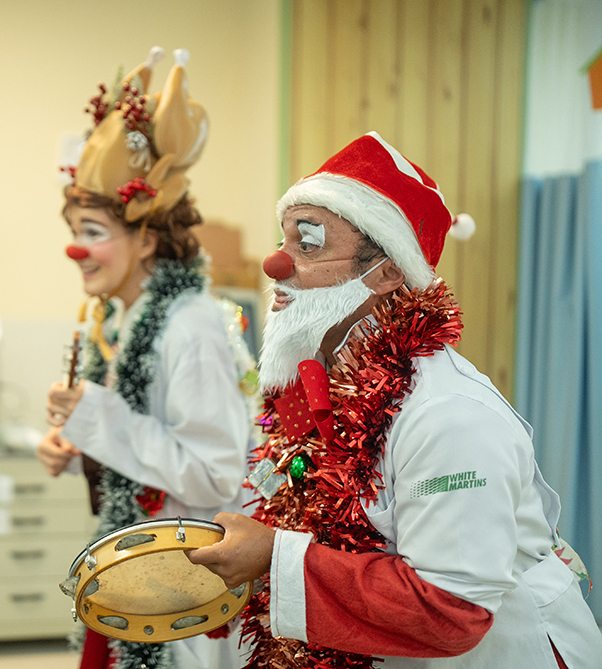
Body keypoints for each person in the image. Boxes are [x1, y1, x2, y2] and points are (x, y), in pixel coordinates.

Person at [186, 131, 602, 668]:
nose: (276, 264)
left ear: (386, 271)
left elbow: (452, 609)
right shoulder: (324, 387)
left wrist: (273, 558)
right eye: (284, 240)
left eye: (308, 243)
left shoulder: (450, 416)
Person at [37, 47, 258, 669]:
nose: (75, 252)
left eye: (93, 234)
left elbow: (216, 474)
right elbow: (136, 433)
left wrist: (95, 418)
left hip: (182, 582)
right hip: (134, 562)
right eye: (75, 232)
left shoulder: (192, 328)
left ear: (148, 239)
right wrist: (75, 443)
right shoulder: (115, 317)